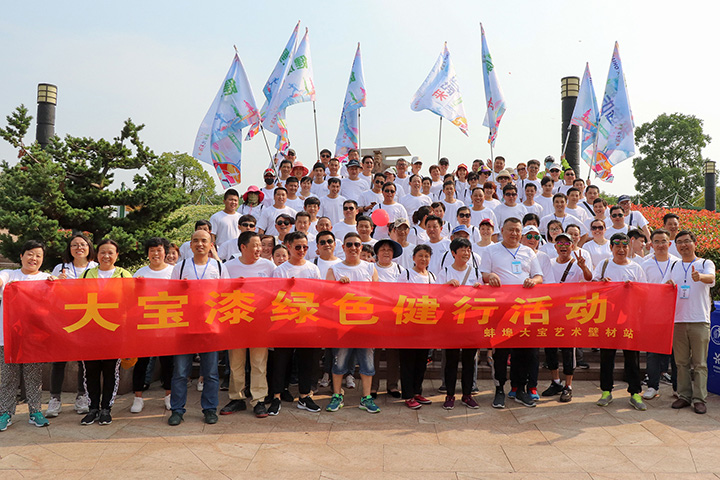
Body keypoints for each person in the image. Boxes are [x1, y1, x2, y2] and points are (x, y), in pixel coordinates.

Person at [168, 230, 230, 426]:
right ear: (190, 245)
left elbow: (226, 295)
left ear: (211, 245)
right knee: (180, 372)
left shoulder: (219, 267)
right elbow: (171, 294)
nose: (200, 244)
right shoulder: (181, 267)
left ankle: (210, 409)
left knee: (210, 372)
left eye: (204, 241)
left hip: (210, 327)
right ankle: (177, 410)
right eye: (195, 240)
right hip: (184, 327)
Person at [480, 217, 543, 409]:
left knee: (523, 351)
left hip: (523, 309)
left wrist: (533, 281)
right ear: (502, 231)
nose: (514, 233)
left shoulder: (528, 251)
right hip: (499, 309)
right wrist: (490, 276)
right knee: (500, 352)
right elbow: (483, 274)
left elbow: (539, 276)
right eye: (510, 230)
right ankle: (499, 389)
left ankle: (520, 389)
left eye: (517, 230)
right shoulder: (491, 250)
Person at [0, 240, 55, 431]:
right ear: (21, 256)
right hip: (8, 336)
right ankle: (5, 413)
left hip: (34, 338)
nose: (34, 258)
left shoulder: (46, 278)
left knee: (33, 377)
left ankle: (35, 412)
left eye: (38, 255)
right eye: (30, 254)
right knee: (8, 377)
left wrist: (57, 284)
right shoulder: (9, 274)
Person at [221, 232, 275, 418]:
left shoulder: (269, 266)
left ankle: (259, 400)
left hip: (260, 323)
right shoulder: (228, 267)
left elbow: (277, 290)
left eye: (261, 245)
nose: (260, 249)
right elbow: (220, 292)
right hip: (236, 321)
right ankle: (237, 398)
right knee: (236, 362)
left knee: (259, 362)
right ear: (243, 247)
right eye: (255, 245)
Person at [325, 233, 381, 414]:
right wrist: (338, 287)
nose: (353, 248)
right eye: (349, 244)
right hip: (342, 325)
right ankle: (336, 395)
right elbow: (326, 297)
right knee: (339, 361)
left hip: (365, 324)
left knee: (367, 363)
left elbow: (378, 295)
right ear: (343, 247)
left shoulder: (370, 268)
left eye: (357, 244)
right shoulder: (334, 269)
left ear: (361, 247)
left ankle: (366, 397)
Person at [269, 231, 322, 416]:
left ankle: (304, 396)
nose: (301, 250)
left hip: (306, 321)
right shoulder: (280, 270)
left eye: (305, 247)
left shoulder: (313, 269)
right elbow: (274, 297)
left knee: (306, 361)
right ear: (289, 247)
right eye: (298, 247)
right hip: (284, 323)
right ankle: (276, 397)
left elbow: (318, 294)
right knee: (281, 361)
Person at [80, 239, 133, 426]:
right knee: (90, 371)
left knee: (111, 371)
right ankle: (92, 407)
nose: (106, 256)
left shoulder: (124, 275)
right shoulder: (87, 274)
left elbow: (133, 301)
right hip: (90, 330)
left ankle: (106, 409)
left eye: (111, 252)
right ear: (97, 254)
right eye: (103, 252)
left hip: (114, 331)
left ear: (117, 255)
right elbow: (74, 297)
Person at [593, 233, 648, 411]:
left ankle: (635, 392)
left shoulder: (636, 267)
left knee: (632, 357)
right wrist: (602, 283)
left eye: (625, 246)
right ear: (611, 248)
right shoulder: (604, 265)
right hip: (607, 318)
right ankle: (606, 391)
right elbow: (594, 288)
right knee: (606, 356)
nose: (621, 250)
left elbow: (644, 292)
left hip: (629, 319)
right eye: (618, 246)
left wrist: (633, 288)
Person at [47, 233, 97, 418]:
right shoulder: (60, 268)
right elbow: (49, 292)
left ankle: (82, 396)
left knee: (83, 360)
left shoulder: (95, 267)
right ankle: (55, 398)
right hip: (64, 318)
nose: (79, 248)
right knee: (59, 359)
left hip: (88, 317)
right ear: (69, 249)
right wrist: (56, 282)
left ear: (89, 247)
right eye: (74, 245)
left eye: (83, 244)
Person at [666, 230, 715, 414]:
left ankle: (699, 399)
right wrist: (668, 285)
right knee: (681, 362)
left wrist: (700, 277)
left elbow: (711, 278)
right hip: (678, 320)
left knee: (700, 363)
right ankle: (684, 396)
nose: (683, 245)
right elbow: (664, 285)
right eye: (679, 242)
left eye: (687, 241)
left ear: (694, 243)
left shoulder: (705, 263)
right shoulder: (674, 265)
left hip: (699, 320)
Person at [541, 233, 592, 403]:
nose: (563, 246)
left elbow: (589, 279)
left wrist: (583, 267)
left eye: (567, 243)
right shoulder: (549, 263)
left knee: (568, 350)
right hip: (550, 312)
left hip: (570, 313)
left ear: (572, 245)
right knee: (550, 349)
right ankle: (555, 381)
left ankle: (568, 386)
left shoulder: (577, 264)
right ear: (555, 246)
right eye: (560, 243)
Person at [130, 237, 175, 414]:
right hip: (145, 324)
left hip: (167, 324)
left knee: (167, 362)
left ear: (165, 252)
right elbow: (131, 298)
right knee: (142, 362)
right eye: (152, 251)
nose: (156, 254)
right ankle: (138, 398)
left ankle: (169, 395)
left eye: (159, 250)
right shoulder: (140, 273)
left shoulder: (173, 271)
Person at [437, 238, 482, 410]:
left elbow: (483, 298)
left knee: (469, 361)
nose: (466, 253)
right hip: (452, 323)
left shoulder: (475, 272)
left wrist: (479, 289)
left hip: (471, 322)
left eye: (468, 250)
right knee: (451, 360)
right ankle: (449, 395)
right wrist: (446, 286)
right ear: (453, 253)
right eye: (462, 249)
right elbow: (436, 297)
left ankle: (467, 395)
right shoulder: (445, 272)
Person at [641, 228, 679, 400]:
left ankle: (678, 387)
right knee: (653, 353)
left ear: (669, 243)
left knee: (677, 354)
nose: (660, 245)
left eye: (663, 241)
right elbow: (641, 289)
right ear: (651, 244)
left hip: (676, 314)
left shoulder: (678, 263)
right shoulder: (645, 264)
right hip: (653, 315)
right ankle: (652, 386)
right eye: (656, 241)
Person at [399, 245, 436, 409]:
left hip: (425, 324)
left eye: (427, 256)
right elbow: (398, 296)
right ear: (413, 258)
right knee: (408, 361)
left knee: (422, 361)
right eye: (420, 255)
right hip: (408, 324)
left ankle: (417, 391)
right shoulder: (406, 274)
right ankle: (408, 395)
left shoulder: (432, 276)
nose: (423, 259)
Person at [370, 239, 404, 399]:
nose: (386, 252)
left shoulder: (400, 270)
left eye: (389, 250)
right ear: (377, 253)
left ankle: (392, 385)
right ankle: (372, 386)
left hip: (394, 317)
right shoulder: (370, 268)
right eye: (382, 249)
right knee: (374, 353)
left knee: (393, 353)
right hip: (374, 316)